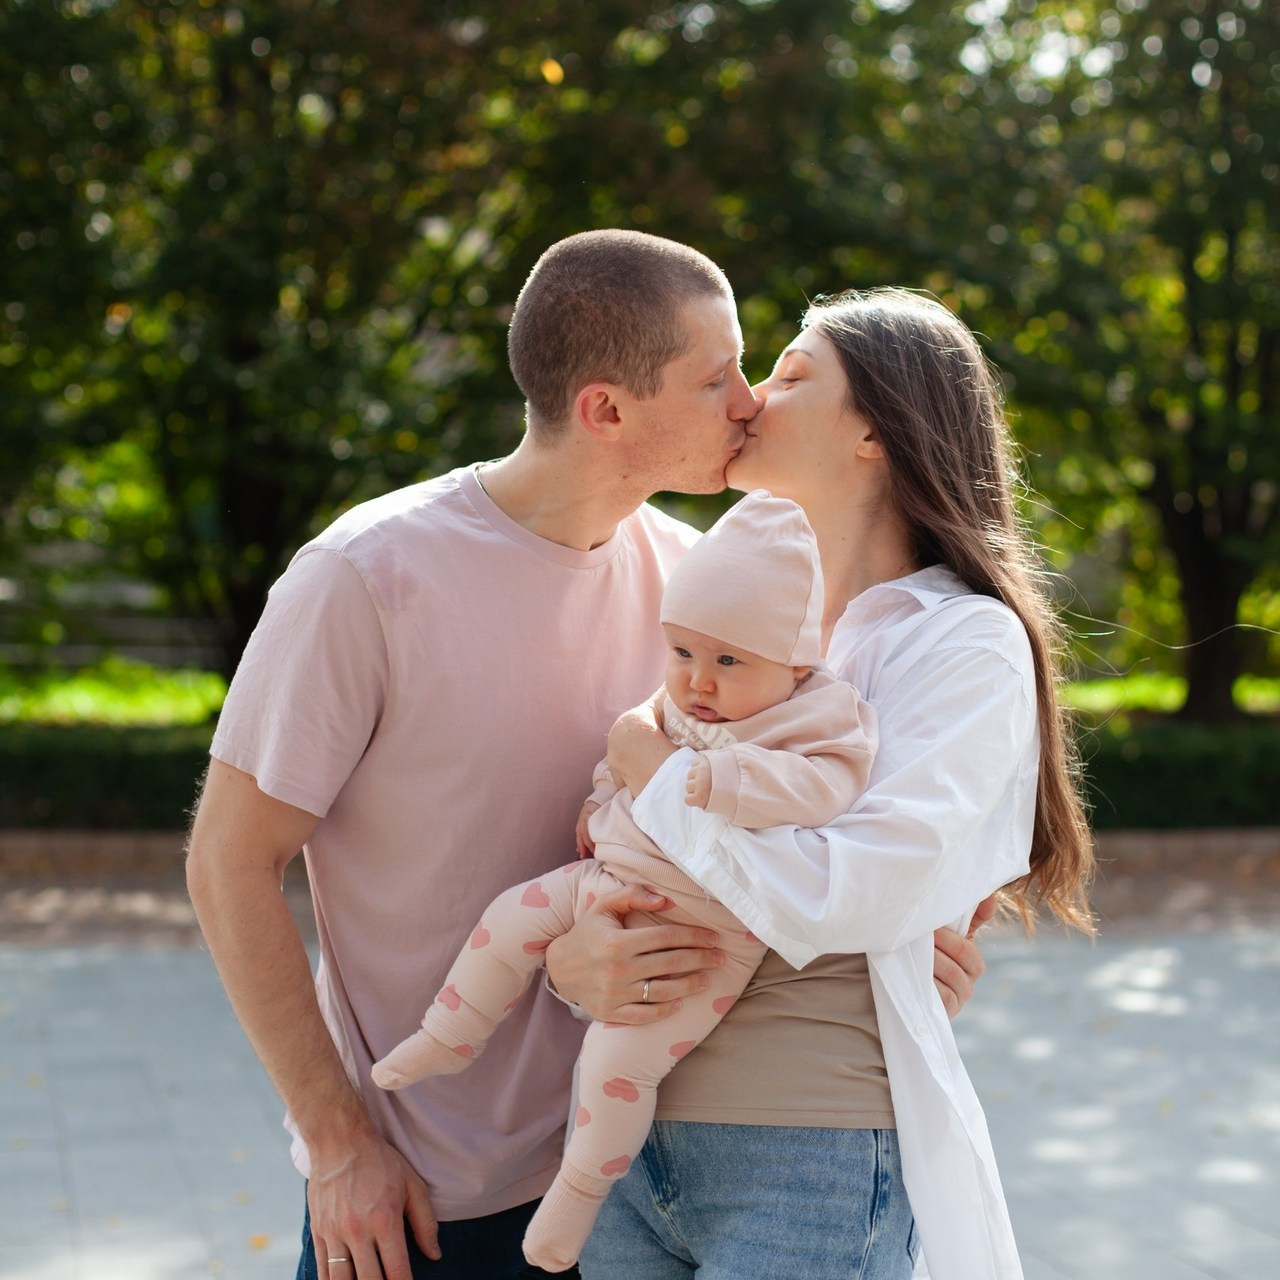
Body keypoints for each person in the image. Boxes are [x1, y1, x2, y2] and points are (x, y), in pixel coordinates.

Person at [184, 230, 990, 1280]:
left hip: (637, 1191)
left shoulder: (705, 588)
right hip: (428, 1207)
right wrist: (338, 1143)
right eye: (715, 378)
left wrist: (881, 959)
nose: (747, 402)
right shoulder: (365, 576)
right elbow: (228, 862)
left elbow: (781, 824)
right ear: (606, 409)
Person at [588, 288, 1096, 1280]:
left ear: (872, 429)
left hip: (803, 1150)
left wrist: (658, 780)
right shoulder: (726, 616)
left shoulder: (960, 641)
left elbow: (852, 891)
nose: (746, 398)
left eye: (786, 373)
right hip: (625, 1131)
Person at [371, 491, 878, 1272]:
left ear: (795, 664)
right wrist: (600, 798)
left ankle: (572, 1203)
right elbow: (623, 763)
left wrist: (707, 780)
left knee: (613, 1066)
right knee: (509, 918)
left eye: (728, 662)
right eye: (682, 653)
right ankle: (449, 1034)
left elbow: (826, 789)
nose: (698, 682)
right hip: (609, 879)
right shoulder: (671, 703)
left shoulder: (818, 718)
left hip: (704, 932)